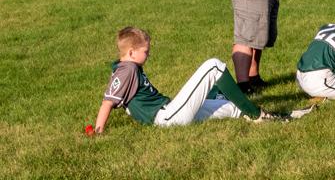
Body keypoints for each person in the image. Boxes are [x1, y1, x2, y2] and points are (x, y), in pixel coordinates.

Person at [91, 27, 286, 134]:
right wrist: (98, 132)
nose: (148, 54)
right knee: (214, 66)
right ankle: (256, 114)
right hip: (166, 118)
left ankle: (266, 116)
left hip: (169, 113)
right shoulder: (126, 70)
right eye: (145, 51)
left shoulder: (126, 67)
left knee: (231, 107)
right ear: (131, 52)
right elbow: (107, 103)